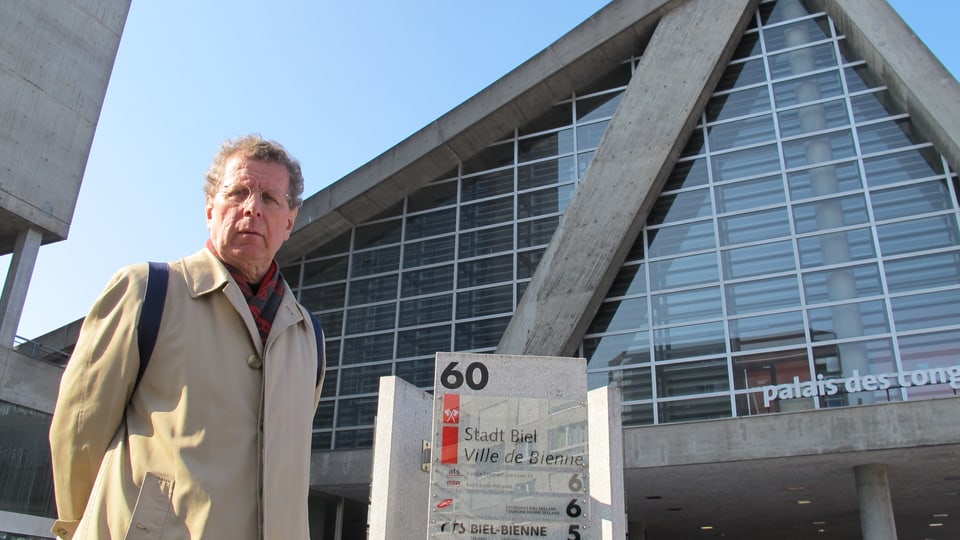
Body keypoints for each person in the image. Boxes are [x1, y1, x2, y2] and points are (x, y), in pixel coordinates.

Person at [49, 135, 325, 539]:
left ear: (289, 220)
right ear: (210, 208)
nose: (252, 208)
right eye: (238, 192)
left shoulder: (308, 336)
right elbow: (79, 430)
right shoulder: (147, 291)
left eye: (270, 198)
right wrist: (80, 527)